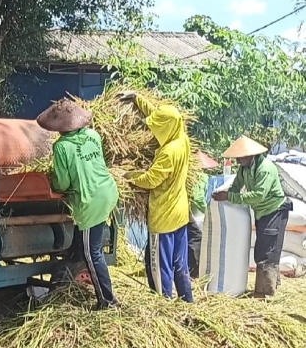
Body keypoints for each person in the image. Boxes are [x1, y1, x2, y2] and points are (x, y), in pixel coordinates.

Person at [36, 99, 120, 310]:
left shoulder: (61, 147)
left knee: (93, 253)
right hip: (108, 192)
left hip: (90, 200)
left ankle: (108, 302)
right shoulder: (93, 135)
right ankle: (71, 265)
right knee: (81, 246)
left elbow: (63, 183)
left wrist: (51, 181)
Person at [118, 90, 194, 303]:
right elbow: (161, 117)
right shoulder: (182, 138)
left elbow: (151, 180)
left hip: (163, 217)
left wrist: (130, 176)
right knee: (180, 262)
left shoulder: (168, 152)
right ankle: (187, 300)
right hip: (180, 213)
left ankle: (163, 303)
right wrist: (137, 99)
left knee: (159, 265)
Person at [212, 135, 291, 298]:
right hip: (262, 213)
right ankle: (270, 287)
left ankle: (265, 293)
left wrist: (229, 197)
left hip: (274, 211)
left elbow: (258, 196)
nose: (238, 161)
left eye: (240, 158)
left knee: (266, 252)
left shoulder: (266, 168)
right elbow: (236, 187)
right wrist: (226, 195)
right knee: (263, 249)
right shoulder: (245, 169)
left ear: (250, 155)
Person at [187, 151, 219, 279]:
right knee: (197, 239)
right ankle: (194, 270)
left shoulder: (189, 175)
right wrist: (207, 210)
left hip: (187, 212)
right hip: (197, 215)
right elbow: (198, 197)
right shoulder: (202, 177)